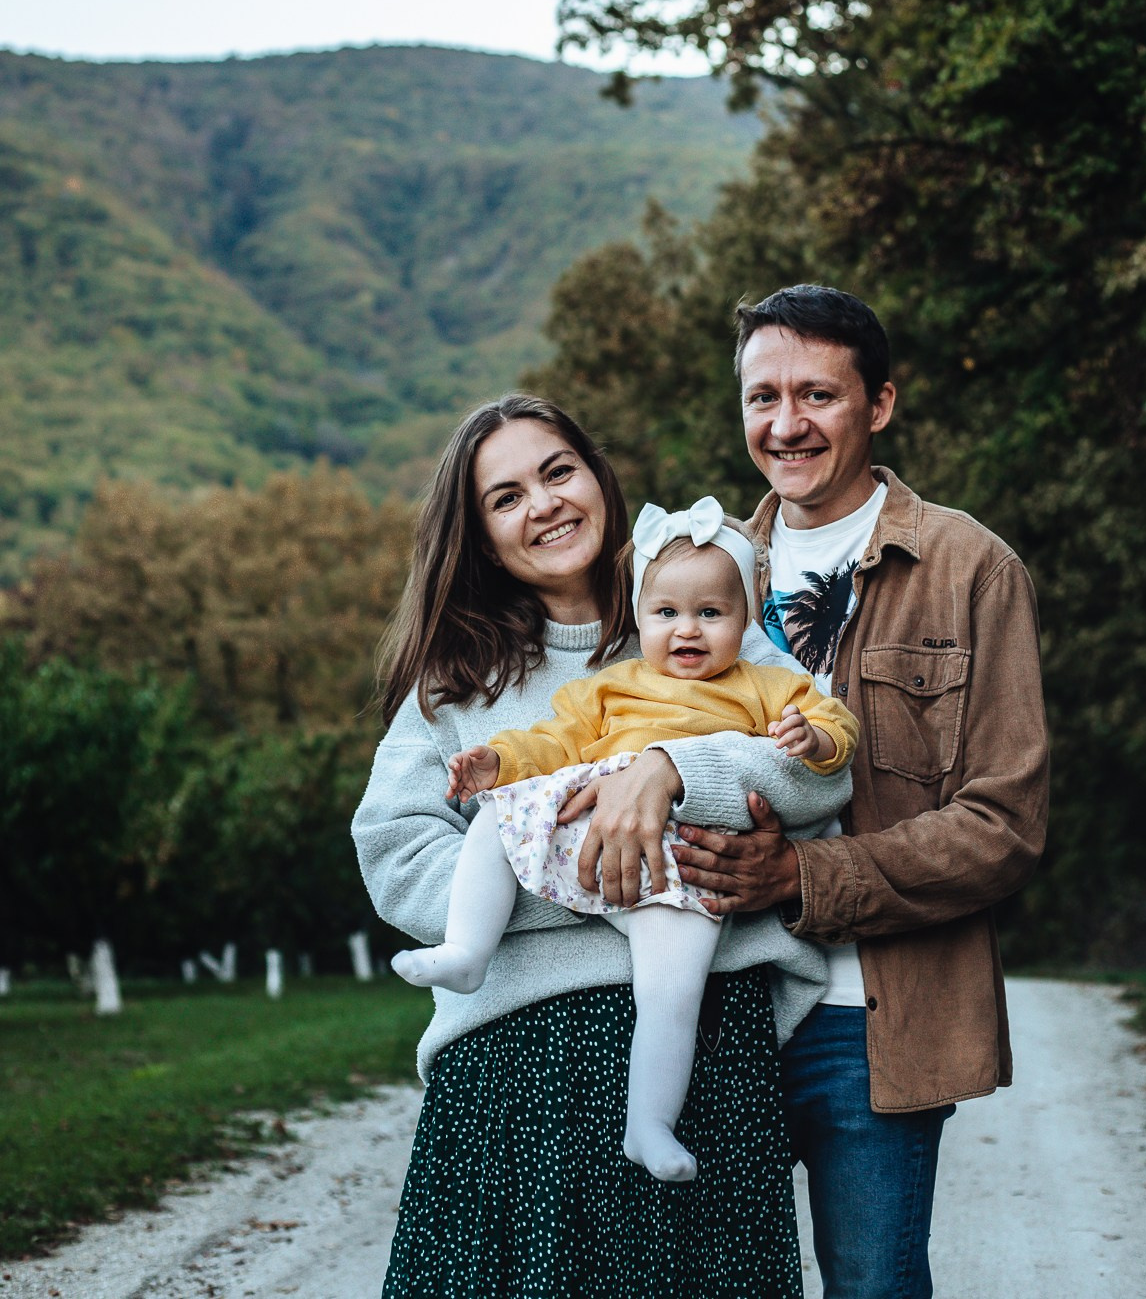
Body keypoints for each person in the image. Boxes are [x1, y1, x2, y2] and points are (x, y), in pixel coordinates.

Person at [569, 286, 1050, 1299]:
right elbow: (601, 728)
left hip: (870, 1019)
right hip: (712, 1004)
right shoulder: (692, 567)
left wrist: (803, 875)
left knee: (872, 1284)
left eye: (816, 396)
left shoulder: (971, 568)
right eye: (761, 398)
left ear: (878, 405)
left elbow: (1005, 826)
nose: (784, 425)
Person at [352, 393, 853, 1299]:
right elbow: (394, 848)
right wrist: (589, 884)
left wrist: (671, 769)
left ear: (598, 477)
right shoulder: (455, 678)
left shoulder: (696, 614)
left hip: (701, 1053)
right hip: (514, 1066)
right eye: (505, 498)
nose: (541, 505)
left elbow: (813, 770)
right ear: (479, 533)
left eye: (556, 472)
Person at [392, 494, 859, 1183]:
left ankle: (649, 1123)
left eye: (711, 613)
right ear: (640, 618)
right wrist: (499, 762)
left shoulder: (766, 685)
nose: (688, 631)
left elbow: (835, 731)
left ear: (745, 618)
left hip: (682, 862)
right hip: (591, 828)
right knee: (499, 817)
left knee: (673, 990)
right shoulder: (611, 687)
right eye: (667, 613)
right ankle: (467, 949)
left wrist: (811, 737)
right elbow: (552, 742)